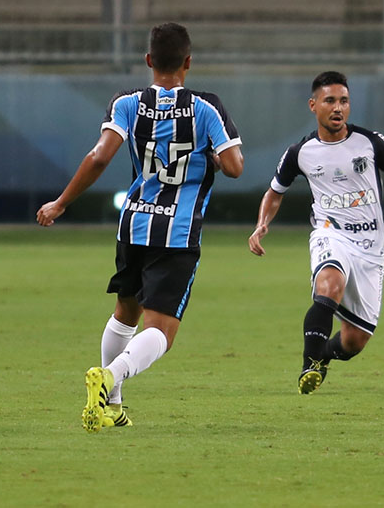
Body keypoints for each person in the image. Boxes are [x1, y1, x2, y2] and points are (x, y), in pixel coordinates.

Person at [36, 23, 244, 431]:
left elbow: (99, 157)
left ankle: (111, 407)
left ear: (149, 61)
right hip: (178, 230)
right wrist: (213, 156)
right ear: (188, 62)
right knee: (161, 329)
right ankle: (111, 376)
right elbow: (235, 167)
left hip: (133, 223)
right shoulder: (207, 107)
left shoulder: (126, 103)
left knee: (125, 311)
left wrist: (61, 203)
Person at [248, 71, 384, 395]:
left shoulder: (370, 142)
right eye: (330, 100)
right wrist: (262, 224)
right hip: (331, 234)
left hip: (371, 247)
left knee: (355, 341)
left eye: (344, 100)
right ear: (313, 105)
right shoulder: (300, 152)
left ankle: (324, 356)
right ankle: (309, 363)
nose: (338, 107)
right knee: (329, 284)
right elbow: (275, 192)